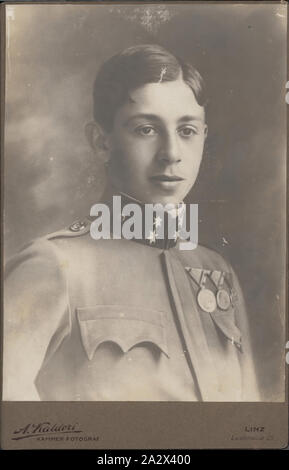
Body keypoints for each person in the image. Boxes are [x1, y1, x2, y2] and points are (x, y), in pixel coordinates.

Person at [3, 44, 260, 401]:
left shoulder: (215, 271)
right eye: (146, 130)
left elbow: (248, 422)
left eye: (186, 131)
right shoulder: (53, 266)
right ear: (101, 142)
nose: (171, 153)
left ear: (203, 137)